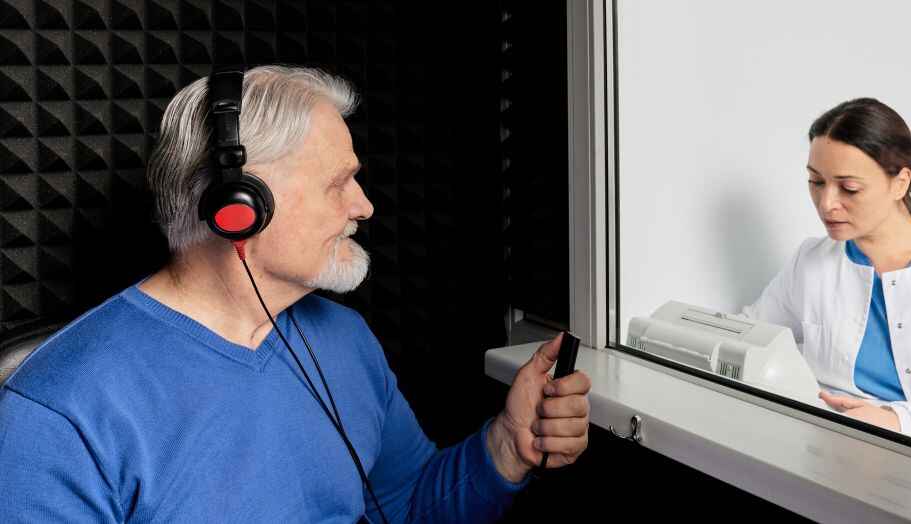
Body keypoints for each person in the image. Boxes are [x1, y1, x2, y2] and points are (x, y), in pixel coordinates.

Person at [0, 65, 592, 522]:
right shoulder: (57, 412)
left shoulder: (343, 340)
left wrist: (507, 449)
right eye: (339, 183)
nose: (364, 206)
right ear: (239, 207)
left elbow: (406, 507)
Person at [741, 98, 911, 451]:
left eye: (849, 188)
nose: (827, 203)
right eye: (816, 182)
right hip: (830, 446)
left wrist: (899, 421)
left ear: (900, 182)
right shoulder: (811, 260)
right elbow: (749, 337)